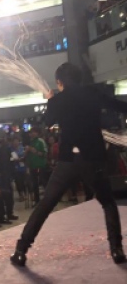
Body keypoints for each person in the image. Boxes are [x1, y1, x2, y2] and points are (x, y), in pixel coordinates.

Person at [11, 62, 127, 267]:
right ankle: (117, 250)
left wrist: (50, 100)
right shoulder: (92, 92)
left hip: (67, 162)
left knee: (45, 205)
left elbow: (47, 122)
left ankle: (21, 250)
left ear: (60, 81)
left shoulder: (58, 100)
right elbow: (118, 106)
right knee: (108, 203)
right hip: (92, 160)